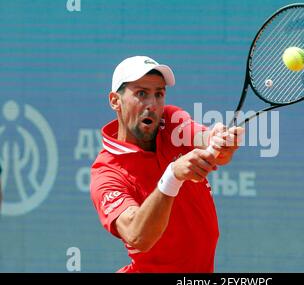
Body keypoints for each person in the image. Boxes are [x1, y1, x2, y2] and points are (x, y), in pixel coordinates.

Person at [90, 56, 244, 273]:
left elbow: (209, 143)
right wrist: (172, 175)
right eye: (141, 94)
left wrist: (219, 142)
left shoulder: (170, 120)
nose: (152, 104)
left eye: (159, 94)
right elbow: (137, 236)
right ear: (115, 101)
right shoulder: (107, 172)